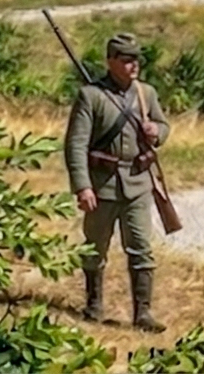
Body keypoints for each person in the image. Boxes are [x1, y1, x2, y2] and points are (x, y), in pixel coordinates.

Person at [65, 31, 171, 329]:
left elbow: (163, 126)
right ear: (110, 61)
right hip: (103, 186)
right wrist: (83, 186)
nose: (133, 65)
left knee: (141, 247)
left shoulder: (146, 94)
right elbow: (76, 144)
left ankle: (143, 313)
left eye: (136, 59)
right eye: (125, 60)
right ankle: (94, 304)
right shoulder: (92, 96)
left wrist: (157, 133)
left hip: (138, 183)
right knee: (95, 248)